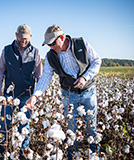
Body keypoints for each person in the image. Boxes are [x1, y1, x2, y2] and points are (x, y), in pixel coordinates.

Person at [25, 24, 101, 159]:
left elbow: (96, 61)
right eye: (48, 45)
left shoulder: (81, 43)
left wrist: (85, 77)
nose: (51, 47)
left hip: (88, 90)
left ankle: (94, 154)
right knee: (70, 128)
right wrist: (35, 96)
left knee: (91, 125)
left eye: (53, 43)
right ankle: (72, 155)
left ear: (62, 37)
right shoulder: (50, 56)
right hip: (68, 93)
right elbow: (46, 77)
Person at [0, 24, 42, 154]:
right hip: (9, 95)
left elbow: (39, 76)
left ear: (30, 36)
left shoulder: (36, 52)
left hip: (27, 94)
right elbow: (0, 72)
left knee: (24, 124)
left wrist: (36, 96)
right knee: (4, 122)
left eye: (26, 38)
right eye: (21, 37)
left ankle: (23, 151)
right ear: (16, 35)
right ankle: (1, 150)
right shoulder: (7, 51)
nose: (23, 40)